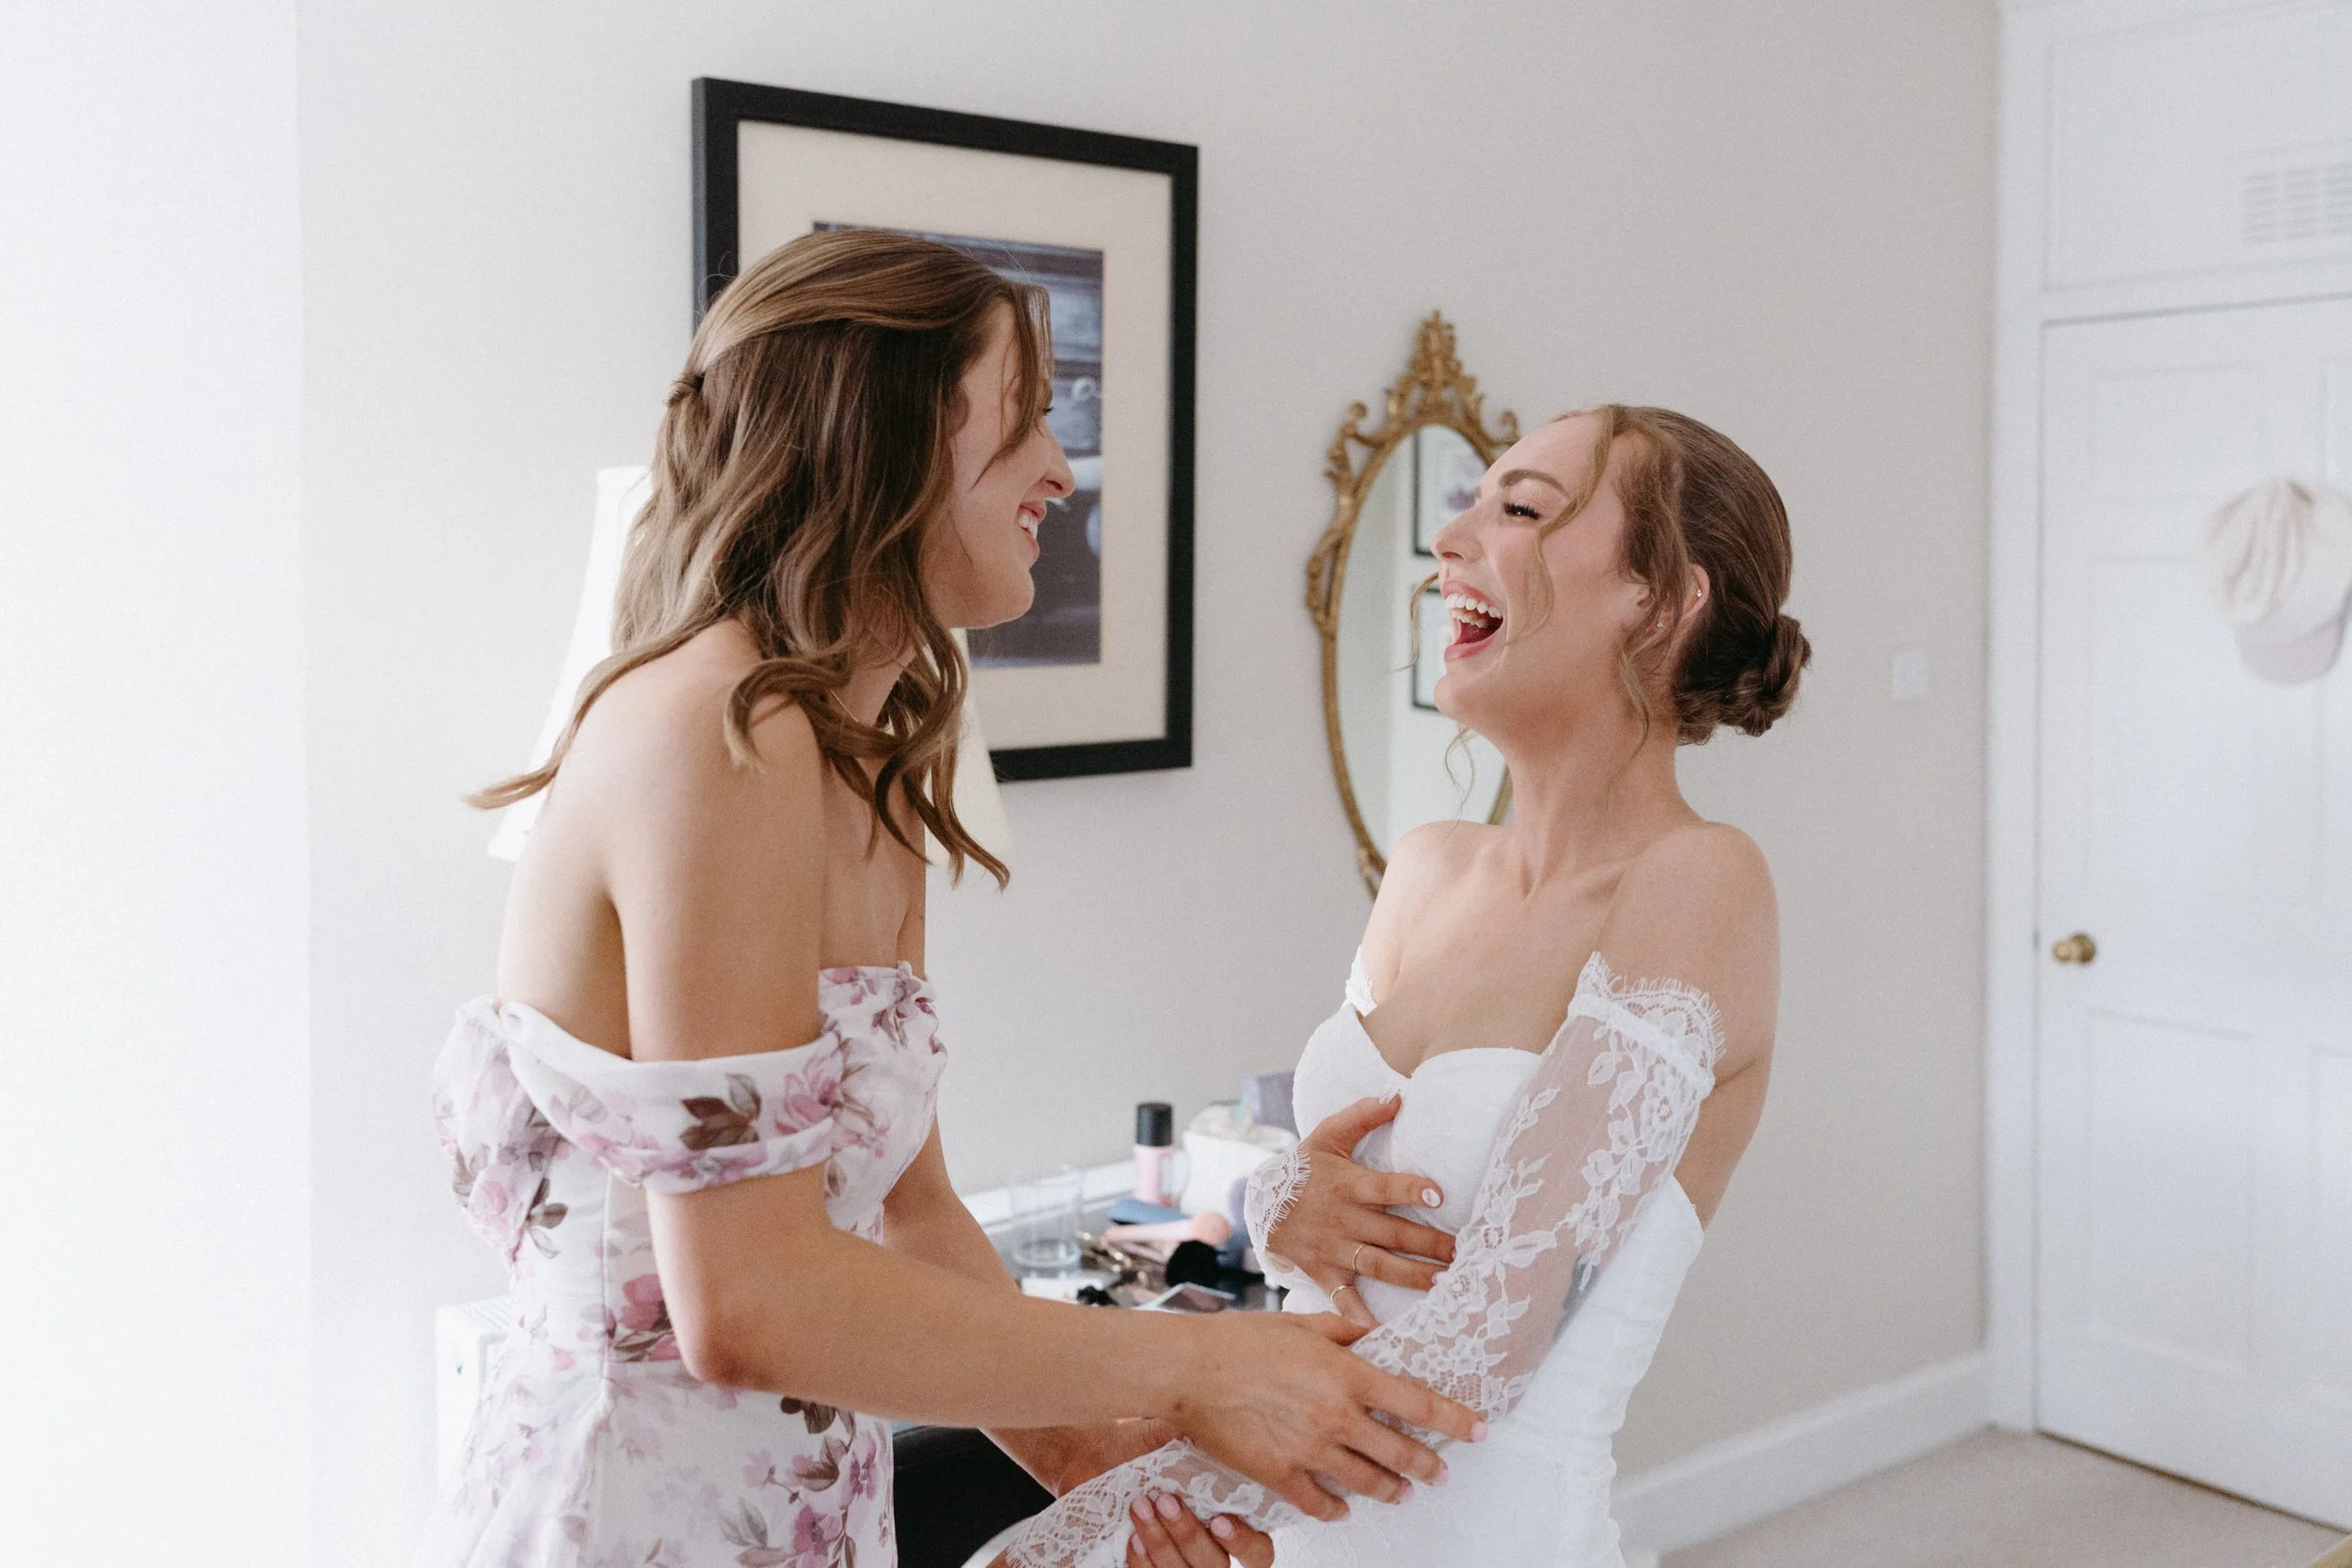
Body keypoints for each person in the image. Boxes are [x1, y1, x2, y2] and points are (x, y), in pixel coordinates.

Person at [417, 228, 1483, 1568]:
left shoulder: (869, 768)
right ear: (890, 437)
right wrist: (1197, 1370)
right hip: (626, 1515)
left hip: (805, 1515)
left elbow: (911, 1216)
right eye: (1022, 419)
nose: (1059, 468)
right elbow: (743, 1297)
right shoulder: (707, 730)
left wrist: (1097, 1468)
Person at [993, 404, 1805, 1568]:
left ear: (1664, 599)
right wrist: (1280, 1200)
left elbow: (1476, 1341)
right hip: (1281, 1527)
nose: (1451, 539)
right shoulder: (1427, 867)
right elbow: (1340, 1210)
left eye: (1520, 508)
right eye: (1470, 500)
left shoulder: (1700, 881)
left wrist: (1064, 1538)